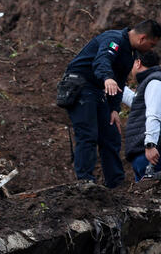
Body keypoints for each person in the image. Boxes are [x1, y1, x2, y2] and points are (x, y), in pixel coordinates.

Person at [63, 19, 161, 187]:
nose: (151, 49)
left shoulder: (130, 53)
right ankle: (85, 181)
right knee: (88, 134)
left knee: (111, 136)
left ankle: (115, 183)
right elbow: (102, 60)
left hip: (98, 93)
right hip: (81, 87)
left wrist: (114, 109)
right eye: (152, 45)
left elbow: (120, 80)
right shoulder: (114, 40)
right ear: (142, 38)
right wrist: (107, 77)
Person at [121, 50, 161, 181]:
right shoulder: (150, 82)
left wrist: (150, 145)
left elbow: (153, 114)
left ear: (138, 63)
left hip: (151, 154)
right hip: (144, 154)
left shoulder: (154, 82)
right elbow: (138, 104)